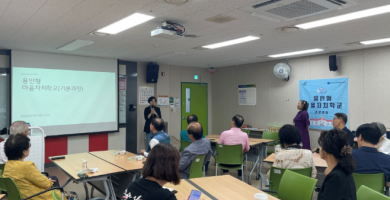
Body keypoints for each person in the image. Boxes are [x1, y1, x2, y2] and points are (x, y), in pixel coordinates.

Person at [3, 134, 64, 200]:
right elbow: (45, 184)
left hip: (23, 196)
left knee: (52, 179)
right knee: (70, 194)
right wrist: (47, 181)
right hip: (36, 197)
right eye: (29, 146)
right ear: (24, 152)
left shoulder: (7, 165)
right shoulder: (26, 166)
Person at [317, 129, 357, 200]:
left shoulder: (335, 178)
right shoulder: (342, 170)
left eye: (321, 146)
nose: (319, 148)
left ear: (327, 151)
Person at [218, 115, 250, 180]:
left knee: (225, 155)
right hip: (238, 162)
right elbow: (247, 149)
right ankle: (240, 177)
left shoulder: (224, 133)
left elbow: (219, 146)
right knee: (241, 157)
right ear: (242, 124)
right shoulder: (245, 135)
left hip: (224, 162)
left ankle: (225, 175)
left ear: (233, 123)